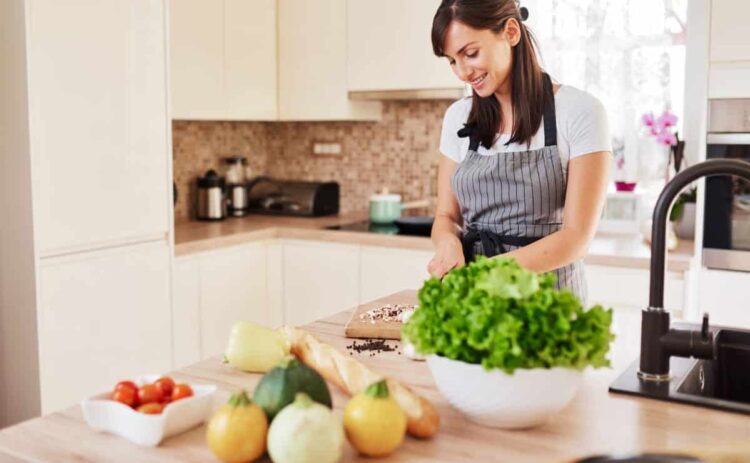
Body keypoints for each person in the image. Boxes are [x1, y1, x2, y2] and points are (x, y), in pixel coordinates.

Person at [427, 0, 612, 303]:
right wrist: (447, 242)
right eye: (451, 61)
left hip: (549, 307)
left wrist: (487, 273)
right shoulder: (458, 117)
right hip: (477, 305)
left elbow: (576, 238)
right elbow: (446, 215)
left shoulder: (580, 112)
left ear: (511, 32)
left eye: (470, 54)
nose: (462, 72)